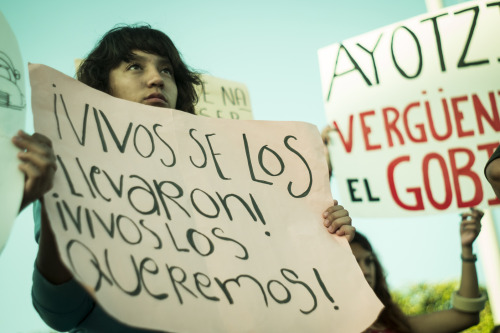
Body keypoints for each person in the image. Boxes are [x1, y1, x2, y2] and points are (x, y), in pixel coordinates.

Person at [29, 24, 355, 333]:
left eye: (166, 70)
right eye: (135, 67)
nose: (157, 79)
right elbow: (61, 311)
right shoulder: (70, 168)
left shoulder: (227, 184)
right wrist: (58, 204)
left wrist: (322, 233)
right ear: (103, 83)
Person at [351, 207, 486, 333]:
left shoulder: (395, 324)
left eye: (369, 261)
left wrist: (467, 249)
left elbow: (466, 316)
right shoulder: (331, 324)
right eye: (355, 263)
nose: (366, 270)